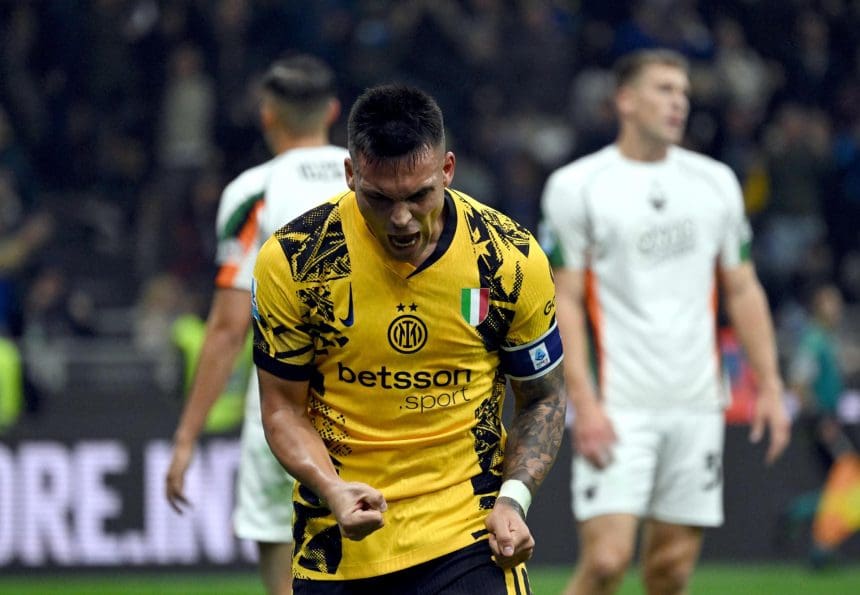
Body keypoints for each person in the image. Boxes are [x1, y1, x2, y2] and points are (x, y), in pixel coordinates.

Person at [251, 84, 566, 594]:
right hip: (340, 540)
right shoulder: (296, 262)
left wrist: (513, 499)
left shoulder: (506, 259)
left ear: (447, 169)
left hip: (468, 533)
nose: (401, 219)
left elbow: (544, 397)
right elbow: (282, 409)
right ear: (350, 174)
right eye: (379, 198)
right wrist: (332, 490)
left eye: (419, 195)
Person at [539, 48, 791, 595]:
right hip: (619, 401)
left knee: (671, 571)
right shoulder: (577, 185)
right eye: (664, 90)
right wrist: (584, 401)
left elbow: (743, 288)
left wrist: (769, 385)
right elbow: (566, 300)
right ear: (625, 100)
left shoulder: (716, 182)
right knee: (606, 560)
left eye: (683, 93)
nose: (678, 103)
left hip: (696, 400)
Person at [165, 54, 347, 595]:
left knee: (285, 572)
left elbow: (226, 327)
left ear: (267, 115)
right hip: (371, 399)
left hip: (284, 408)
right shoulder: (368, 176)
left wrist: (185, 438)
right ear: (333, 110)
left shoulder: (255, 190)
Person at [786, 282, 860, 567]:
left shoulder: (827, 340)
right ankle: (803, 521)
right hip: (823, 422)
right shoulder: (814, 341)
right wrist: (819, 419)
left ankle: (819, 542)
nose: (837, 308)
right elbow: (798, 382)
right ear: (819, 306)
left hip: (832, 420)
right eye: (832, 302)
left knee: (839, 486)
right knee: (845, 482)